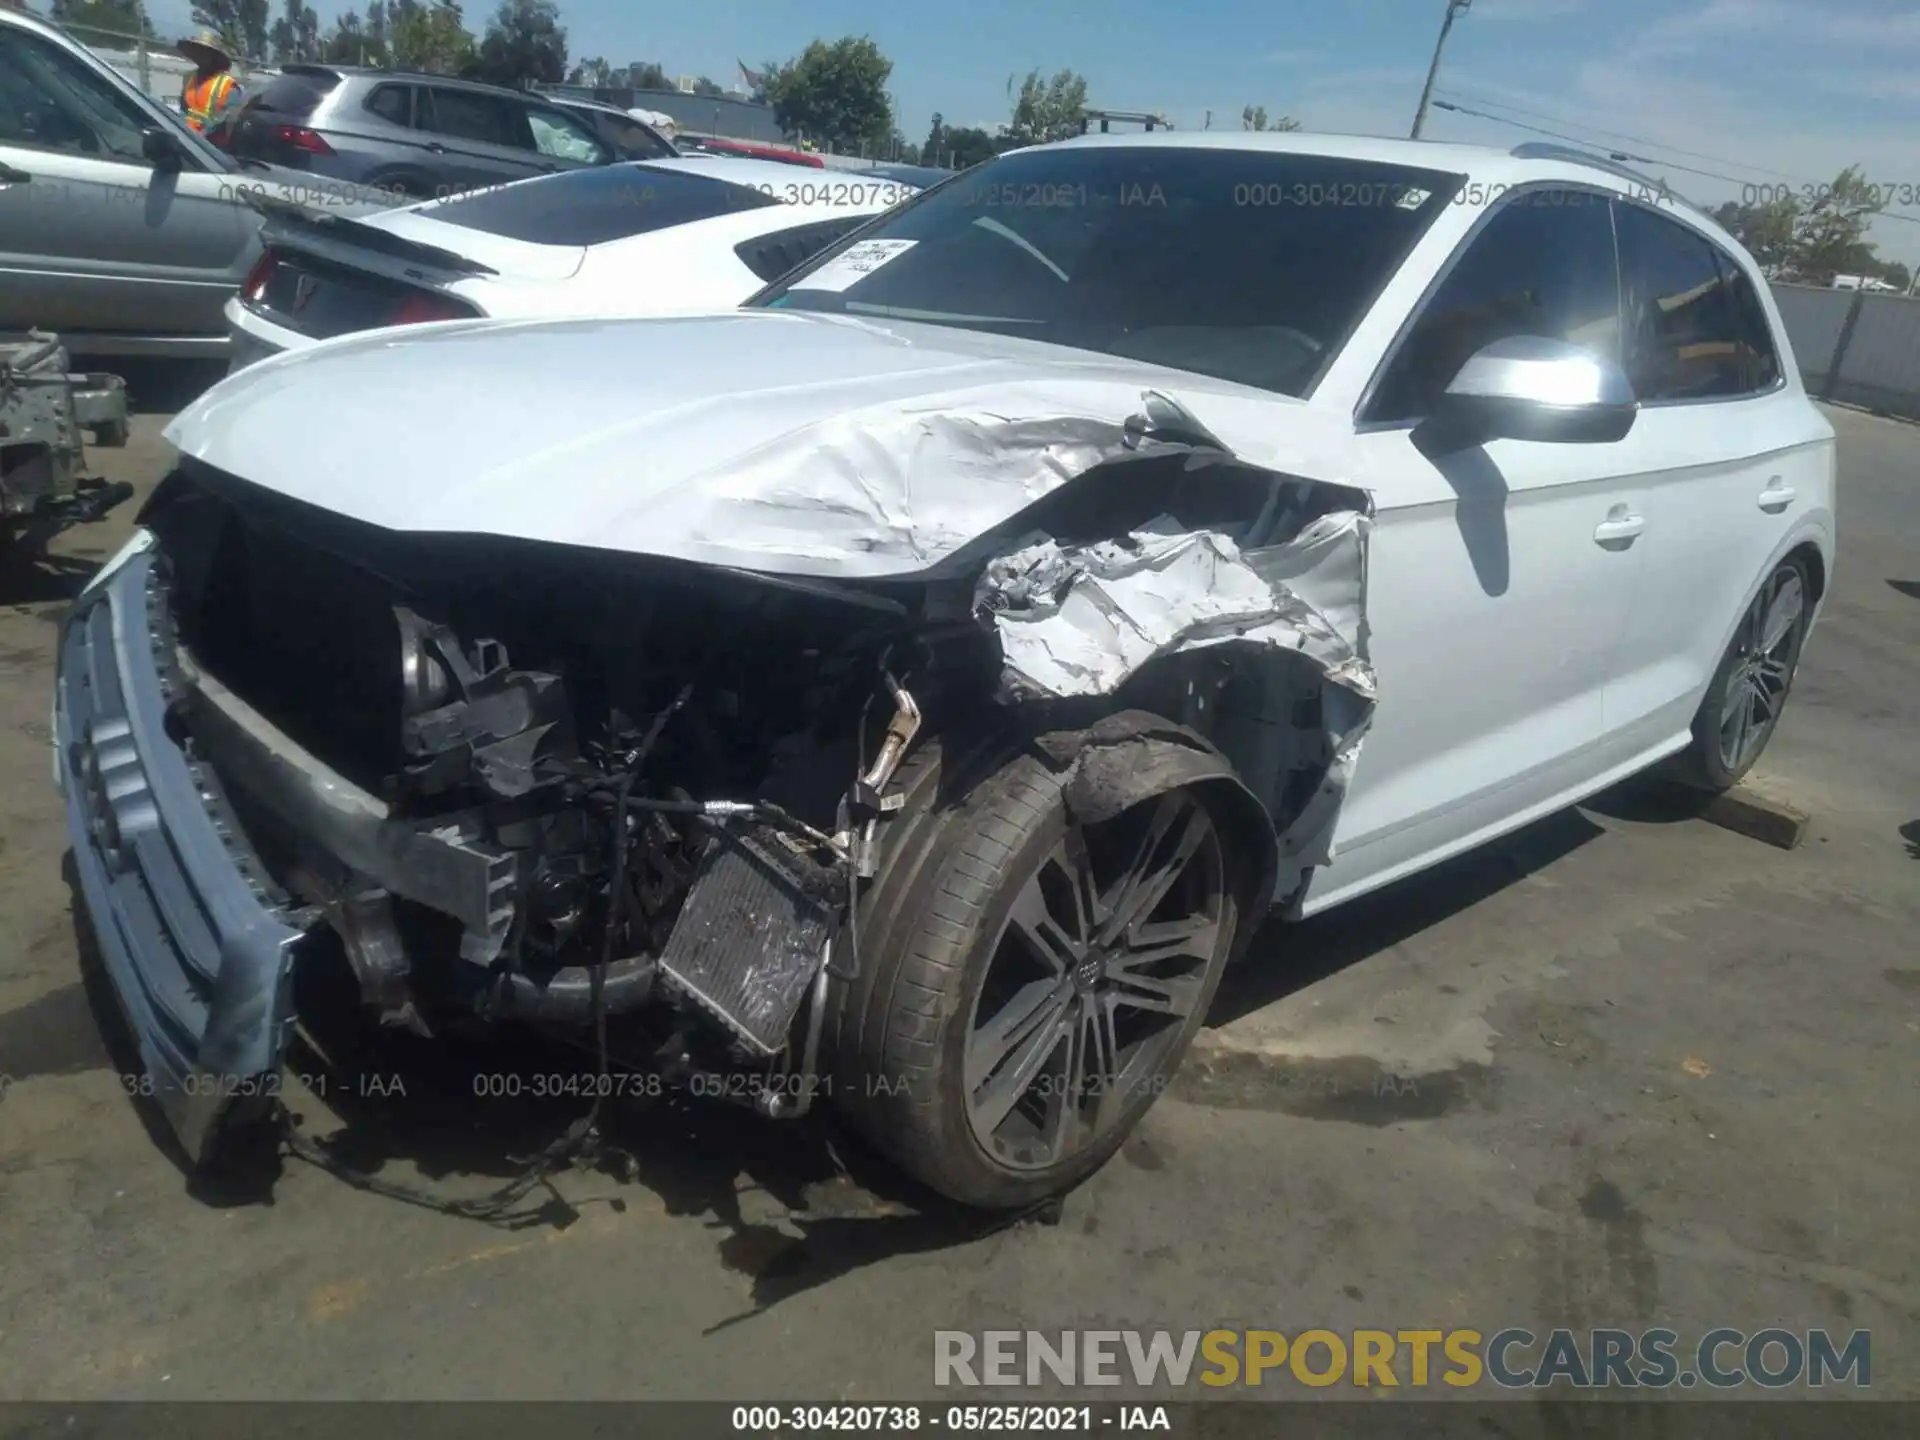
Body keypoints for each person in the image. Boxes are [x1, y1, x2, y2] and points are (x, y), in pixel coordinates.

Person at [176, 31, 242, 134]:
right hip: (186, 139)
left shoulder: (229, 86)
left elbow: (227, 122)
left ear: (214, 56)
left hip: (210, 146)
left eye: (205, 51)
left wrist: (202, 136)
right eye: (198, 50)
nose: (201, 55)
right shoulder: (189, 78)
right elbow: (183, 110)